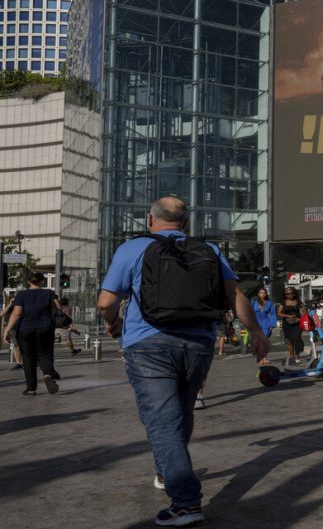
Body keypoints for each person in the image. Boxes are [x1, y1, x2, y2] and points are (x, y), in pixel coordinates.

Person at [96, 196, 270, 527]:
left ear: (150, 220)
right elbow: (235, 294)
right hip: (198, 345)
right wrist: (257, 333)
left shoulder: (133, 249)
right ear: (186, 223)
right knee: (181, 412)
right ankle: (167, 470)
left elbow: (106, 302)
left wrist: (113, 321)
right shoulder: (210, 250)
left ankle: (186, 502)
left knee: (162, 421)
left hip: (148, 343)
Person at [2, 272, 63, 395]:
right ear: (42, 281)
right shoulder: (49, 293)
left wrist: (7, 330)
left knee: (28, 358)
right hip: (45, 328)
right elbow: (59, 309)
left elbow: (17, 313)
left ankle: (31, 388)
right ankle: (47, 374)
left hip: (25, 329)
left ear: (28, 282)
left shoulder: (21, 295)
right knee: (45, 354)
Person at [276, 288, 306, 366]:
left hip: (297, 323)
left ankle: (297, 356)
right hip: (287, 324)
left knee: (297, 338)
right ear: (285, 295)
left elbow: (304, 313)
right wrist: (288, 316)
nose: (289, 295)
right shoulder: (283, 302)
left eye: (291, 293)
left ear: (294, 293)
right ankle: (292, 357)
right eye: (287, 294)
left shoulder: (299, 302)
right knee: (289, 341)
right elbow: (279, 313)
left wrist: (299, 318)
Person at [250, 287, 276, 361]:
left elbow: (272, 314)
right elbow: (250, 313)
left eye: (264, 293)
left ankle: (265, 358)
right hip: (256, 323)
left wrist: (272, 325)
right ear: (258, 294)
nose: (263, 294)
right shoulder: (254, 302)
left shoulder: (269, 303)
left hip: (266, 323)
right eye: (261, 293)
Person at [2, 298, 25, 371]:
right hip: (12, 329)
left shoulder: (21, 306)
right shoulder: (9, 307)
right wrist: (10, 304)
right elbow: (1, 314)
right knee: (15, 346)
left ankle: (27, 362)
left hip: (22, 328)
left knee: (24, 345)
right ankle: (19, 363)